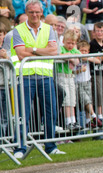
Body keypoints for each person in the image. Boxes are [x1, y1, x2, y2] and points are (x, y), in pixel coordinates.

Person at [11, 0, 65, 158]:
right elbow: (21, 54)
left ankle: (50, 146)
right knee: (23, 113)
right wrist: (43, 51)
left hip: (45, 76)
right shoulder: (18, 30)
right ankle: (20, 148)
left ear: (42, 13)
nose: (34, 15)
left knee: (50, 112)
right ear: (26, 13)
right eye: (31, 12)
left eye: (37, 12)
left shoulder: (49, 29)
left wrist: (33, 49)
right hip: (26, 77)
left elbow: (54, 52)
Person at [56, 28, 82, 131]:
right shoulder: (62, 49)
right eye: (68, 43)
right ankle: (68, 121)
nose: (70, 45)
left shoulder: (74, 50)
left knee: (72, 99)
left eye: (73, 43)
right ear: (63, 42)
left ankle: (73, 120)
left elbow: (78, 60)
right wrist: (69, 57)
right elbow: (58, 56)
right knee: (66, 100)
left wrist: (71, 57)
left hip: (71, 77)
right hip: (62, 76)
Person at [73, 40, 101, 128]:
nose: (84, 53)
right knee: (86, 100)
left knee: (89, 100)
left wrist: (87, 58)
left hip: (87, 81)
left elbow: (98, 61)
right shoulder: (76, 59)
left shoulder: (88, 57)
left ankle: (89, 121)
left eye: (85, 51)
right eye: (82, 51)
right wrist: (80, 70)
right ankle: (95, 117)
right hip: (78, 83)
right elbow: (72, 71)